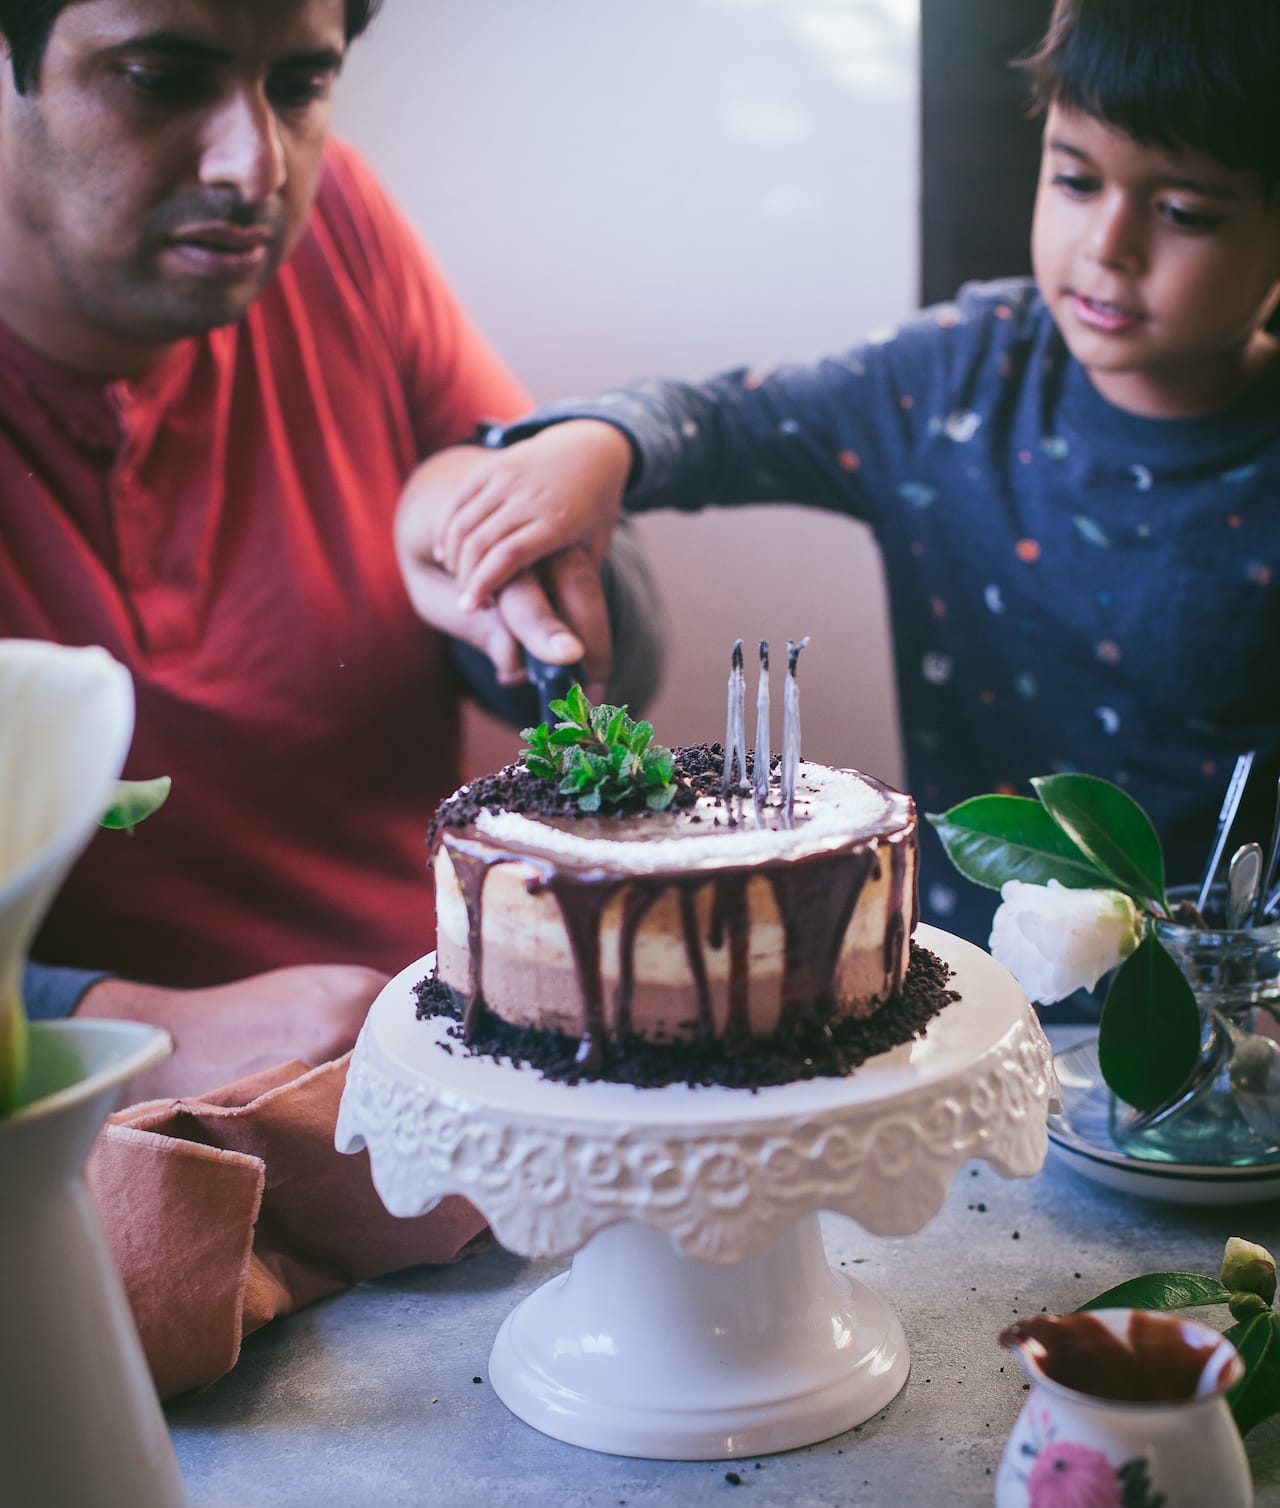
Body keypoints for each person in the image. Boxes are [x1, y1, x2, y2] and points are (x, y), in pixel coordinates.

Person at [398, 0, 1280, 957]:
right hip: (967, 994)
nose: (1108, 245)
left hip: (1232, 1040)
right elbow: (730, 419)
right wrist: (606, 444)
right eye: (1074, 179)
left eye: (1184, 211)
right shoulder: (958, 377)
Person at [0, 0, 660, 1099]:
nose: (252, 166)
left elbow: (612, 670)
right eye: (159, 78)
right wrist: (117, 1028)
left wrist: (502, 554)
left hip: (462, 1064)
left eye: (299, 86)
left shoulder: (336, 221)